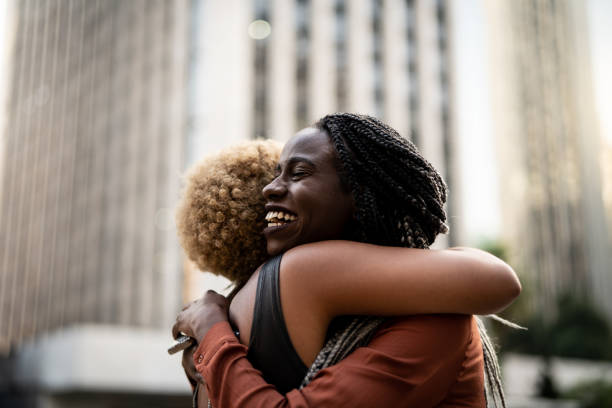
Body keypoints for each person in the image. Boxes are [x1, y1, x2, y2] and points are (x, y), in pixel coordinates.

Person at [173, 114, 521, 407]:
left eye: (299, 173)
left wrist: (211, 333)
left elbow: (500, 280)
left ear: (359, 196)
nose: (270, 189)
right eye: (276, 173)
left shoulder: (435, 320)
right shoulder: (253, 310)